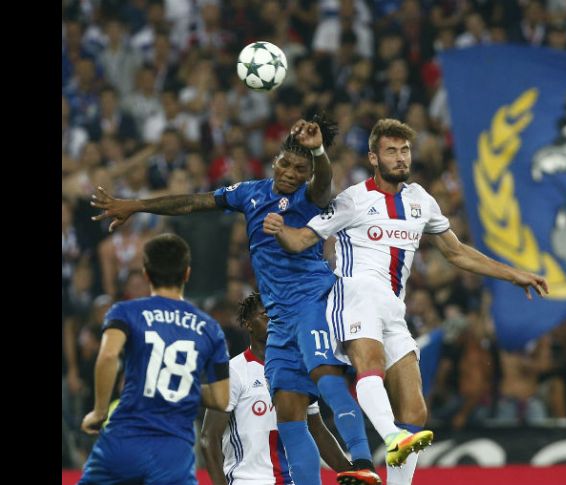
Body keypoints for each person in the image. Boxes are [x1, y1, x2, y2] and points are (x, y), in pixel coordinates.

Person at [90, 116, 380, 485]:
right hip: (280, 317)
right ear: (275, 161)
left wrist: (319, 151)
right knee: (291, 412)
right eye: (286, 164)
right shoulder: (250, 193)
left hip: (313, 302)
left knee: (326, 376)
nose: (290, 173)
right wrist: (137, 205)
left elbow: (324, 183)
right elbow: (194, 203)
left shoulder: (310, 198)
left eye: (300, 169)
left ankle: (362, 460)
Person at [263, 118, 549, 484]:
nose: (400, 158)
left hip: (393, 308)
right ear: (373, 157)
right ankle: (390, 435)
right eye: (391, 151)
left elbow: (457, 252)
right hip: (355, 293)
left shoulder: (421, 200)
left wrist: (513, 274)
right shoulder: (353, 199)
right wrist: (279, 230)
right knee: (370, 367)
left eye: (405, 151)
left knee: (415, 410)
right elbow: (303, 239)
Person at [78, 233, 231, 484]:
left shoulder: (125, 312)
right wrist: (179, 383)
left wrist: (99, 412)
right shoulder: (210, 329)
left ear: (146, 274)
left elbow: (108, 355)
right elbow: (222, 399)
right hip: (173, 450)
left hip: (123, 440)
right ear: (187, 274)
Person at [201, 290, 359, 485]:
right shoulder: (233, 372)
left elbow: (317, 431)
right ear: (248, 324)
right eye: (265, 315)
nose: (274, 320)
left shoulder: (298, 371)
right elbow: (209, 438)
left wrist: (352, 473)